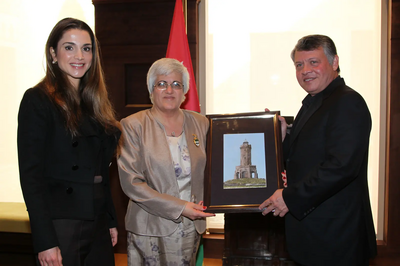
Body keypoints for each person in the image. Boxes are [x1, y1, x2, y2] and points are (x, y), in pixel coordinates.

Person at [259, 35, 377, 265]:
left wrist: (289, 198)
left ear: (334, 63)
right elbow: (303, 157)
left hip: (336, 235)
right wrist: (282, 139)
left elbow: (341, 166)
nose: (305, 71)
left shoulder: (347, 102)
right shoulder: (314, 101)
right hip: (314, 233)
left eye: (314, 62)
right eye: (299, 65)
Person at [17, 18, 120, 266]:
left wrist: (110, 219)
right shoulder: (38, 100)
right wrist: (45, 241)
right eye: (69, 47)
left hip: (97, 221)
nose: (79, 56)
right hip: (62, 223)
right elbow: (31, 178)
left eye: (86, 48)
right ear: (53, 53)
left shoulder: (95, 104)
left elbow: (101, 174)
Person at [117, 58, 215, 266]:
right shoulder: (133, 125)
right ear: (151, 90)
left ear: (185, 91)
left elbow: (217, 167)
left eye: (176, 84)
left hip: (191, 224)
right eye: (162, 84)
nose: (169, 90)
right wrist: (180, 207)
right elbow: (131, 183)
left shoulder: (200, 123)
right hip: (149, 228)